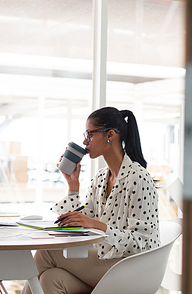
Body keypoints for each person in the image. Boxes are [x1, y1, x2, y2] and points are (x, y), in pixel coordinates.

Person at [21, 106, 160, 294]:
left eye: (90, 134)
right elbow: (79, 221)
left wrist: (97, 225)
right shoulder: (102, 177)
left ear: (110, 135)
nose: (85, 142)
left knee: (47, 252)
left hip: (133, 268)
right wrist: (73, 186)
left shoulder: (138, 178)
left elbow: (140, 243)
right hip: (107, 261)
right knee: (51, 279)